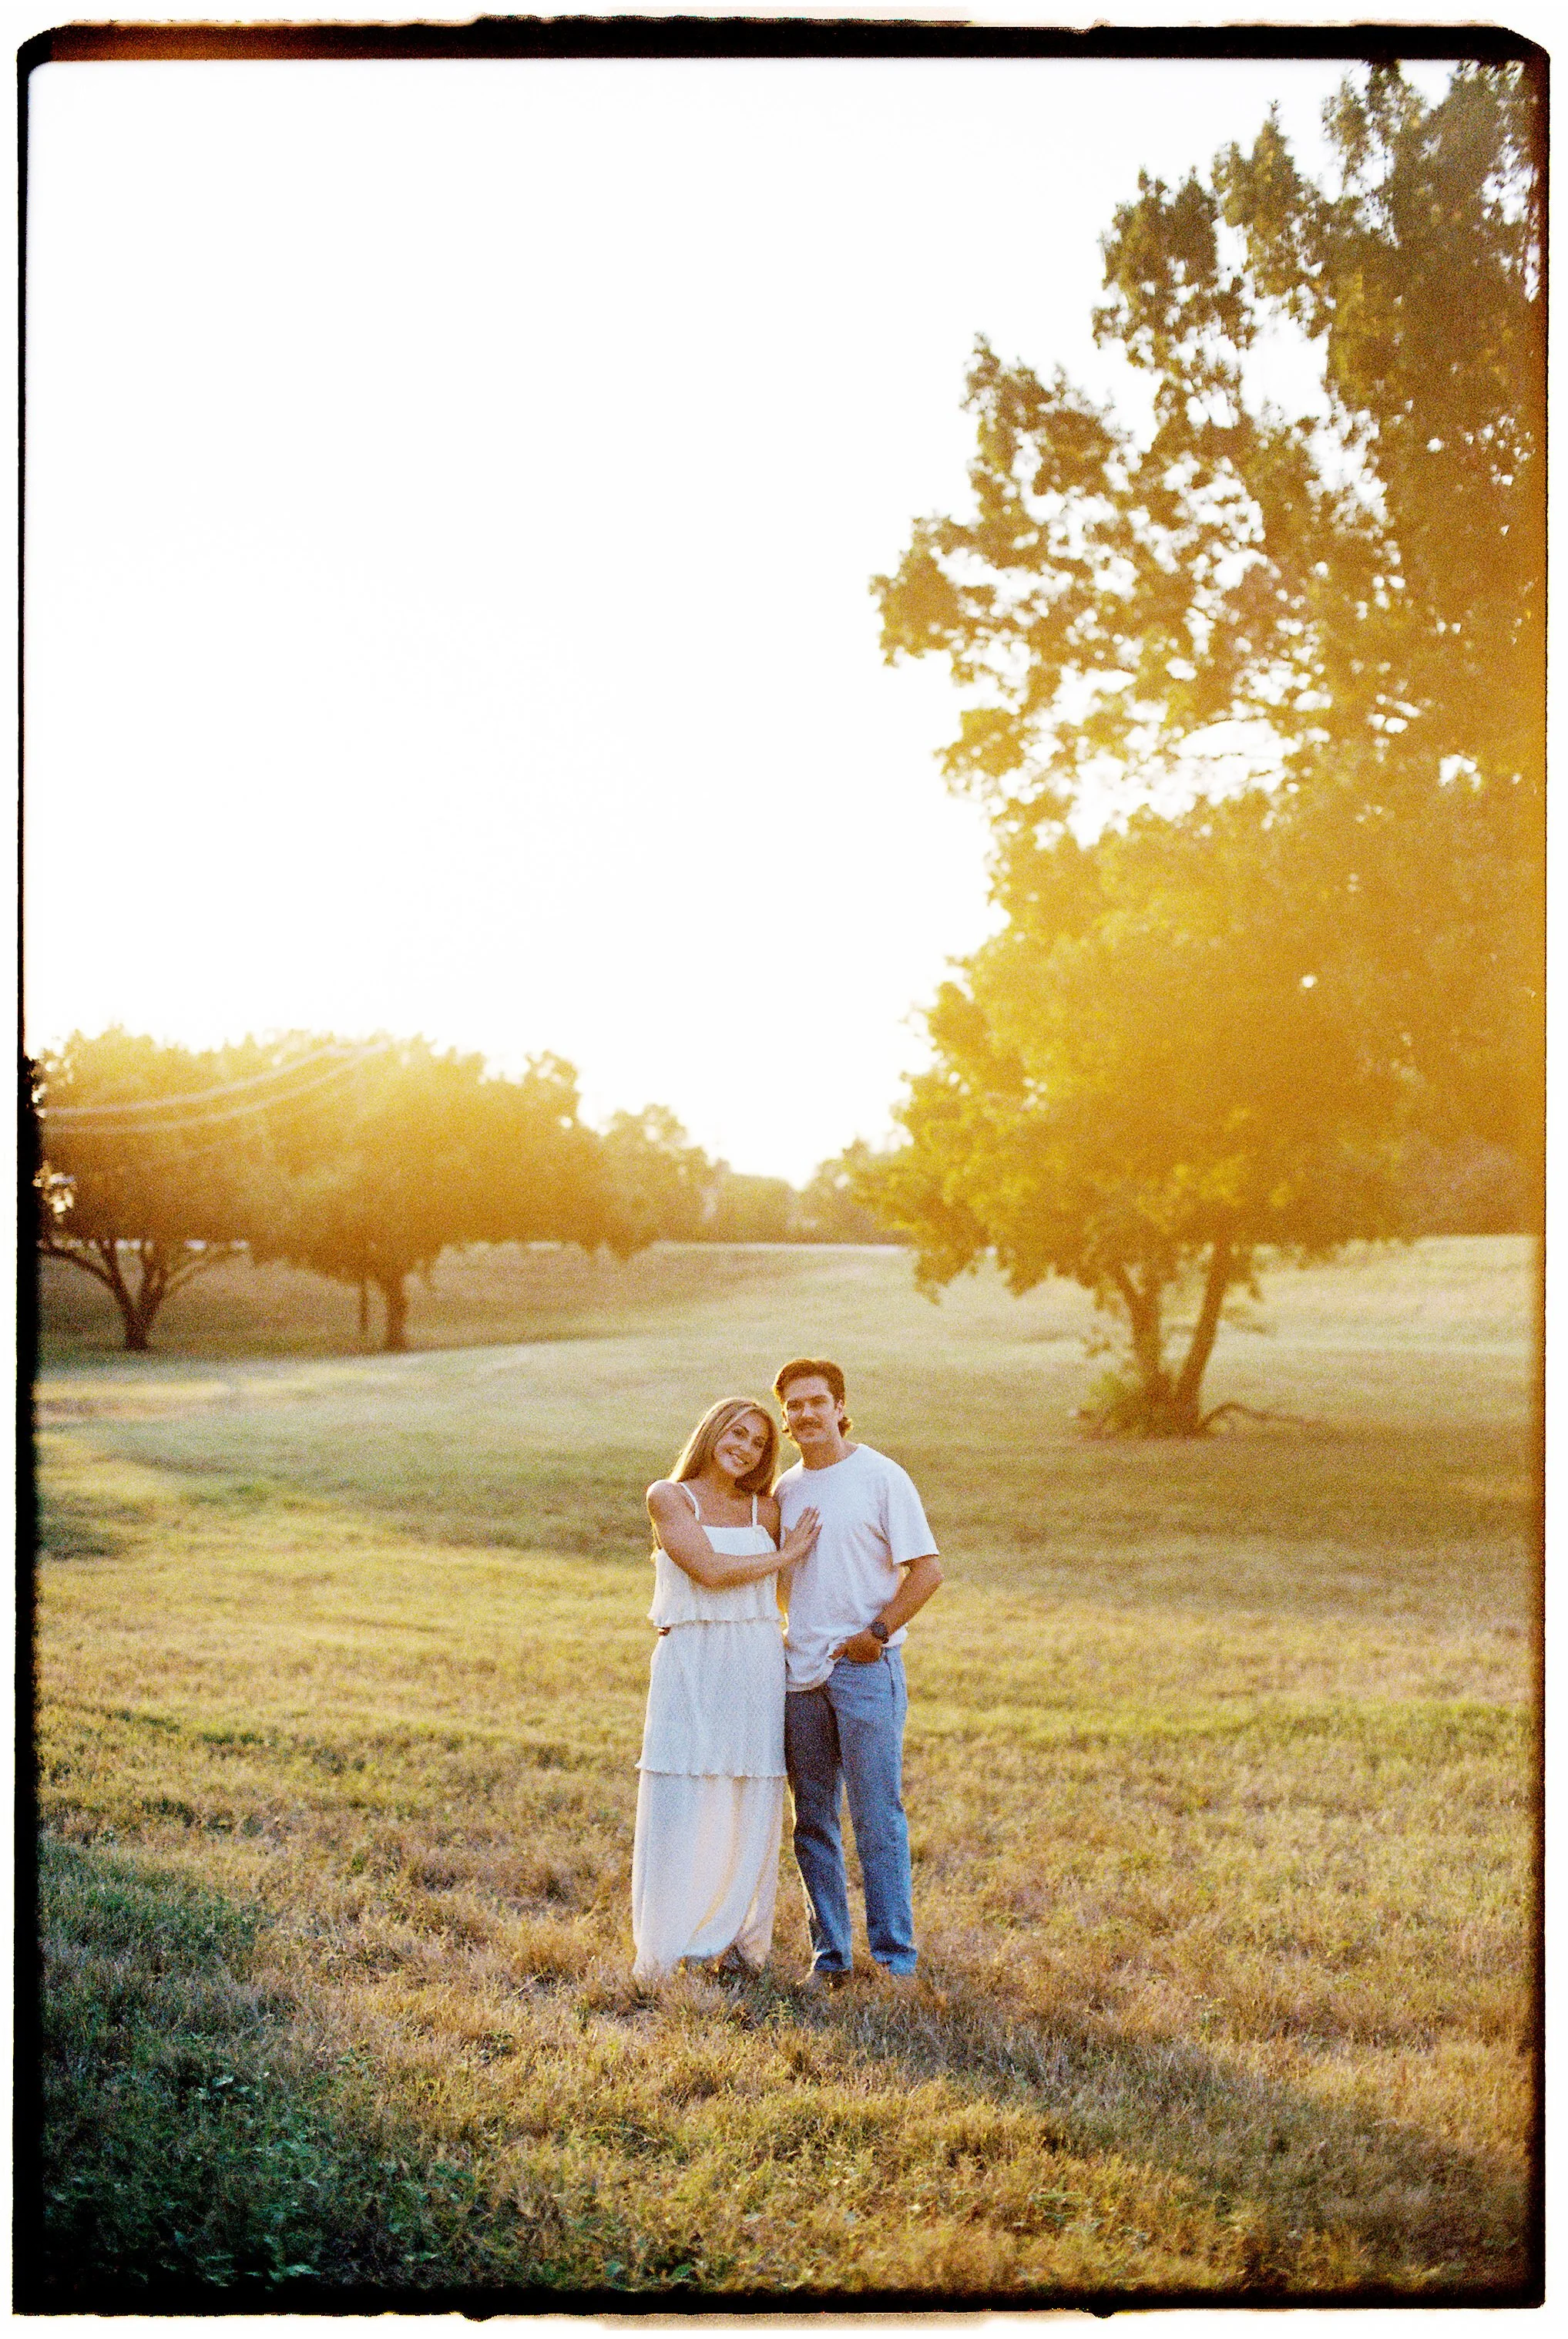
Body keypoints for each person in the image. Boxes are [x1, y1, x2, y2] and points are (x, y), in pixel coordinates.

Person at [632, 1396, 821, 1983]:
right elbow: (708, 1570)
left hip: (755, 1657)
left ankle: (741, 1943)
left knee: (750, 1790)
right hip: (692, 1657)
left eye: (759, 1442)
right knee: (682, 1786)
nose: (744, 1447)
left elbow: (786, 1592)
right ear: (712, 1430)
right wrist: (788, 1553)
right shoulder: (670, 1495)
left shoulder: (764, 1512)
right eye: (735, 1433)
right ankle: (665, 1946)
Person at [773, 1357, 942, 1989]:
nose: (806, 1413)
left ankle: (895, 1959)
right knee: (812, 1820)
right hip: (800, 1678)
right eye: (794, 1405)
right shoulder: (786, 1490)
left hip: (865, 1669)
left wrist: (874, 1634)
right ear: (786, 1419)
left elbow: (926, 1570)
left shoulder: (880, 1476)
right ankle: (831, 1958)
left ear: (840, 1407)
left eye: (817, 1401)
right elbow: (787, 1582)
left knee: (876, 1815)